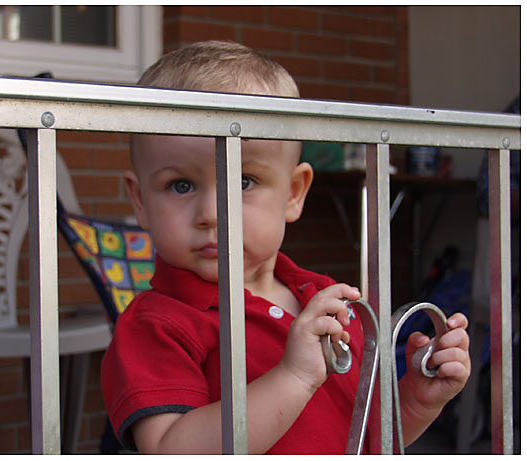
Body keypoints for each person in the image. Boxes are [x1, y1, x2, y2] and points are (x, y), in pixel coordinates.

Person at [101, 40, 471, 455]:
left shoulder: (325, 302)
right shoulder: (156, 325)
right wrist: (293, 377)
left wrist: (417, 402)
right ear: (140, 201)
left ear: (294, 193)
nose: (211, 212)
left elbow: (361, 436)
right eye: (180, 185)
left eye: (243, 182)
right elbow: (170, 449)